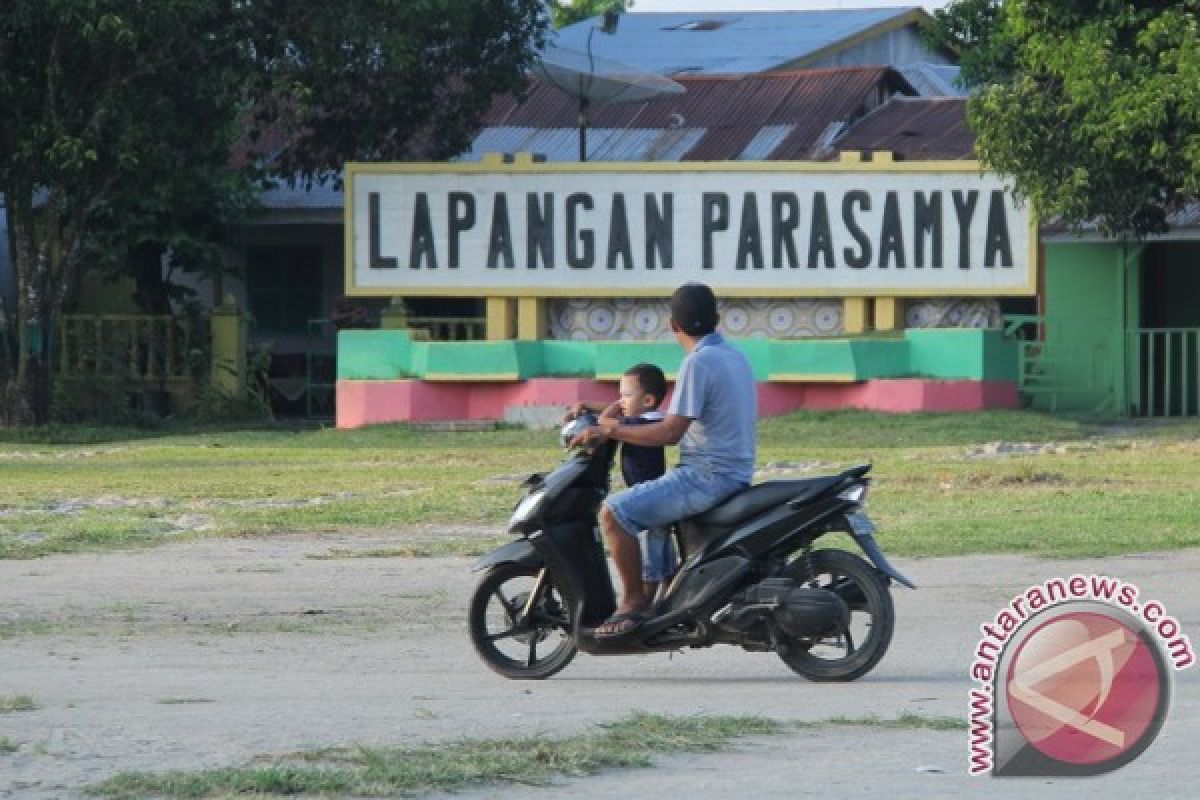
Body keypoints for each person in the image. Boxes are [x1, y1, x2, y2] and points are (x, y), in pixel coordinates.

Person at [569, 283, 757, 637]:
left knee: (613, 512)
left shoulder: (697, 363)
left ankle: (635, 603)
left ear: (673, 326)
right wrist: (602, 413)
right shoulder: (735, 356)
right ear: (717, 319)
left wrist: (608, 431)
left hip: (706, 476)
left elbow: (668, 432)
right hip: (734, 471)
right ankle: (669, 595)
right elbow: (662, 416)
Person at [568, 363, 675, 599]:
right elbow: (619, 415)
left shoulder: (639, 423)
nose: (621, 402)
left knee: (651, 562)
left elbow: (607, 421)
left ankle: (643, 607)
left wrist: (608, 407)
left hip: (648, 502)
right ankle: (668, 604)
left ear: (647, 400)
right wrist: (592, 405)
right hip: (656, 497)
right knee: (663, 557)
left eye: (626, 396)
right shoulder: (655, 418)